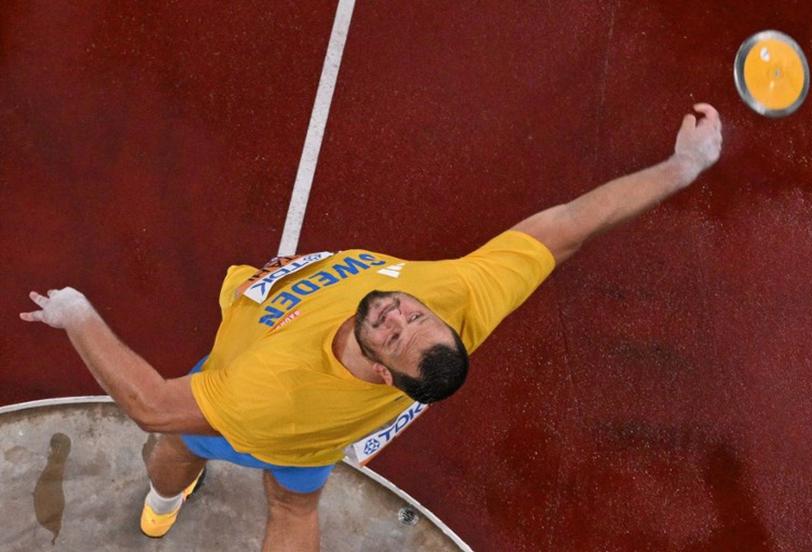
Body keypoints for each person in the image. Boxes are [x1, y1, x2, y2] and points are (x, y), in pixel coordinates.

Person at [20, 104, 722, 551]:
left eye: (390, 331)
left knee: (178, 446)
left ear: (384, 371)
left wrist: (78, 314)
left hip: (261, 414)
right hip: (316, 441)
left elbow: (148, 405)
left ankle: (161, 509)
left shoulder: (270, 387)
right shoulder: (456, 303)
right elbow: (567, 228)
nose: (394, 312)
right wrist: (680, 169)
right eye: (409, 315)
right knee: (294, 506)